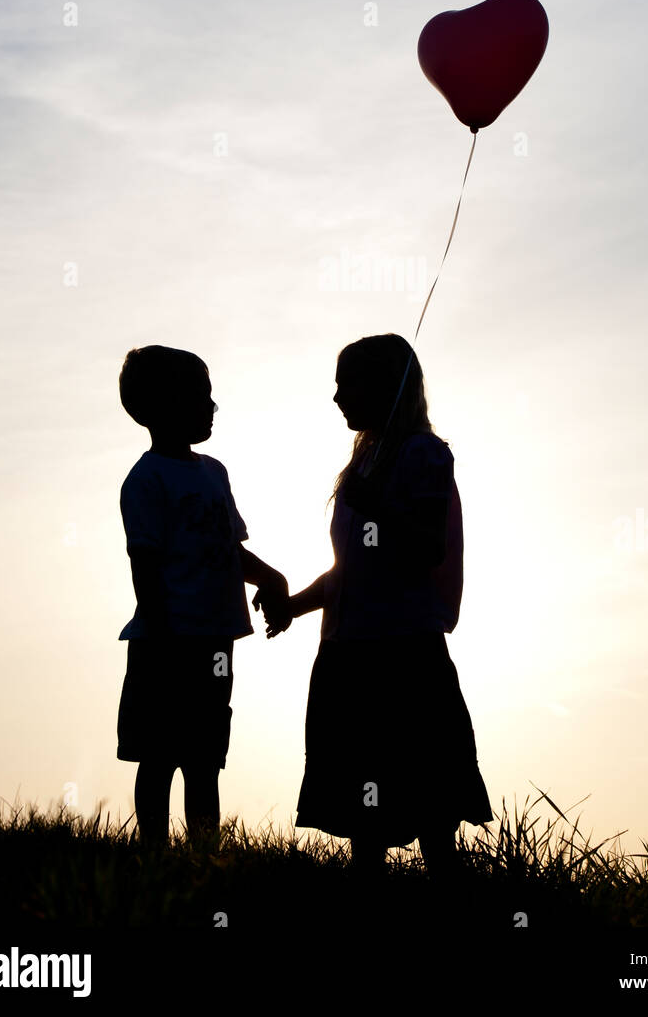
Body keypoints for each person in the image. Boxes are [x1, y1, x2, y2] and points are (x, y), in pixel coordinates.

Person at [262, 333, 493, 878]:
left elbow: (426, 547)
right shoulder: (363, 462)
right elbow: (351, 570)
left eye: (348, 384)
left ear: (387, 388)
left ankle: (444, 896)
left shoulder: (424, 454)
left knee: (431, 795)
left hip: (404, 649)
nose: (338, 396)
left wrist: (379, 509)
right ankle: (369, 902)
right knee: (359, 798)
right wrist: (295, 606)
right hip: (348, 650)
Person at [115, 344, 291, 847]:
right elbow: (144, 566)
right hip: (165, 641)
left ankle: (203, 853)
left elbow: (229, 549)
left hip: (216, 642)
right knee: (158, 754)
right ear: (161, 406)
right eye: (200, 397)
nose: (211, 407)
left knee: (205, 756)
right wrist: (164, 629)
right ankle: (154, 851)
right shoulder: (146, 480)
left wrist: (273, 579)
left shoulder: (214, 473)